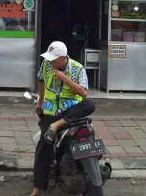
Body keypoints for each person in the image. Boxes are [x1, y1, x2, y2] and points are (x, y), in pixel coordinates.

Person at [31, 41, 94, 196]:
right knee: (43, 147)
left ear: (63, 58)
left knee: (90, 104)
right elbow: (41, 80)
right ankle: (37, 189)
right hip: (51, 111)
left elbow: (84, 93)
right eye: (49, 58)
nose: (50, 61)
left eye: (54, 58)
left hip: (70, 110)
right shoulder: (46, 64)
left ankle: (58, 125)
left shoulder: (78, 68)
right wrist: (40, 102)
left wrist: (65, 79)